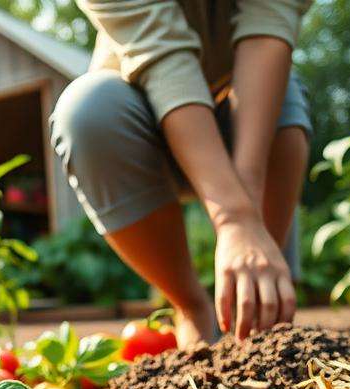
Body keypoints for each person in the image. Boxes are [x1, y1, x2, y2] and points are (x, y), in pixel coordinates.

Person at [51, 0, 313, 346]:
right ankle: (193, 308)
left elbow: (269, 26)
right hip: (139, 121)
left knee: (285, 99)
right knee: (87, 112)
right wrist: (233, 217)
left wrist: (248, 222)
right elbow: (163, 57)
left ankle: (258, 305)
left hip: (241, 113)